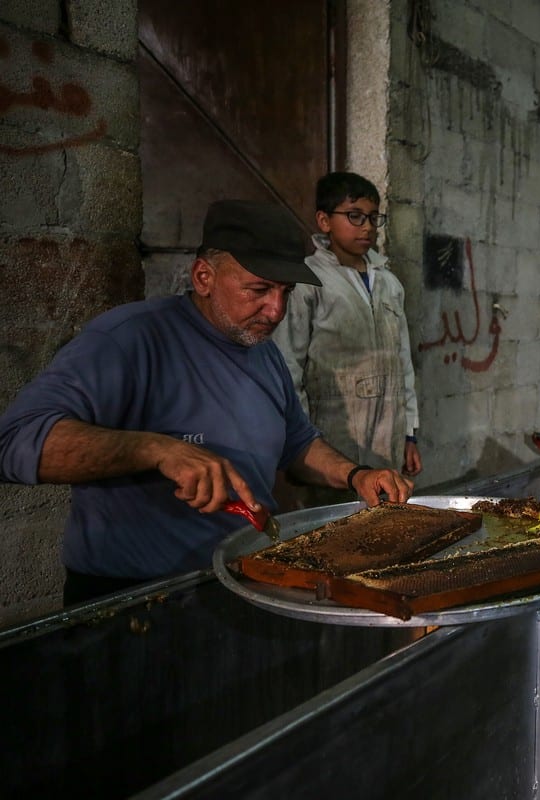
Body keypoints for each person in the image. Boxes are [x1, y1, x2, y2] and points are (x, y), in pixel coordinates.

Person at [0, 200, 414, 605]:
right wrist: (157, 449)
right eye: (259, 289)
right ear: (203, 277)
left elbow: (296, 440)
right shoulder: (129, 340)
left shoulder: (261, 350)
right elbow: (15, 441)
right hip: (136, 600)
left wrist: (355, 474)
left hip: (240, 579)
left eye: (286, 291)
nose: (276, 310)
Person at [272, 172, 422, 488]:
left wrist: (409, 432)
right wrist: (299, 444)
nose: (366, 226)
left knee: (384, 519)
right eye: (354, 216)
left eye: (372, 217)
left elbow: (403, 362)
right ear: (324, 221)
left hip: (388, 436)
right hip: (334, 436)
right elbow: (288, 365)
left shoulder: (388, 283)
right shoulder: (307, 281)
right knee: (335, 523)